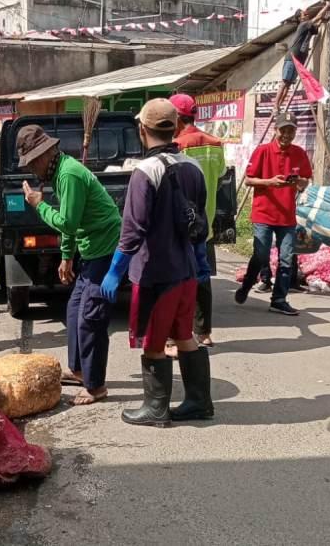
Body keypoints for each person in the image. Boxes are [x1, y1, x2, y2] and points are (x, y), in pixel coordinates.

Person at [101, 98, 212, 427]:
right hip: (187, 271)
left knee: (152, 342)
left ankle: (155, 409)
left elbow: (132, 232)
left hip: (156, 275)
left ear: (141, 130)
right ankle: (198, 402)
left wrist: (113, 272)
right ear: (176, 127)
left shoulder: (144, 172)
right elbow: (200, 223)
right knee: (184, 335)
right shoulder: (193, 167)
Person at [19, 125, 122, 406]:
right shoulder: (61, 172)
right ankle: (78, 370)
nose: (31, 170)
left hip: (104, 247)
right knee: (74, 309)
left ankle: (95, 385)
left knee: (91, 317)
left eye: (31, 163)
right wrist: (66, 256)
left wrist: (39, 205)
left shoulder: (69, 174)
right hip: (89, 248)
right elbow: (70, 222)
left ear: (44, 156)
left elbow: (66, 223)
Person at [235, 112, 311, 315]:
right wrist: (270, 182)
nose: (287, 134)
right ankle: (247, 285)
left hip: (287, 216)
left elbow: (305, 182)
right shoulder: (263, 151)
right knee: (261, 255)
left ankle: (278, 299)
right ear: (276, 130)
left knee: (286, 259)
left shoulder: (299, 153)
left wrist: (298, 182)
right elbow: (249, 179)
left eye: (291, 130)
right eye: (283, 130)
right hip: (264, 214)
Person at [170, 93, 225, 347]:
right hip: (207, 221)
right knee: (202, 276)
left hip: (184, 223)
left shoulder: (179, 145)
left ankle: (176, 336)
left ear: (177, 119)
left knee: (178, 279)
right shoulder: (215, 143)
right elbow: (222, 173)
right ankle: (204, 333)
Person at [273, 1, 330, 112]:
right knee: (285, 82)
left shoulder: (308, 27)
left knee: (289, 85)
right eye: (304, 14)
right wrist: (327, 6)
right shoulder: (303, 25)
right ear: (300, 18)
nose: (307, 14)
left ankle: (279, 106)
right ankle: (275, 106)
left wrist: (323, 20)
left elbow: (317, 24)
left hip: (299, 60)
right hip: (292, 57)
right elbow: (318, 17)